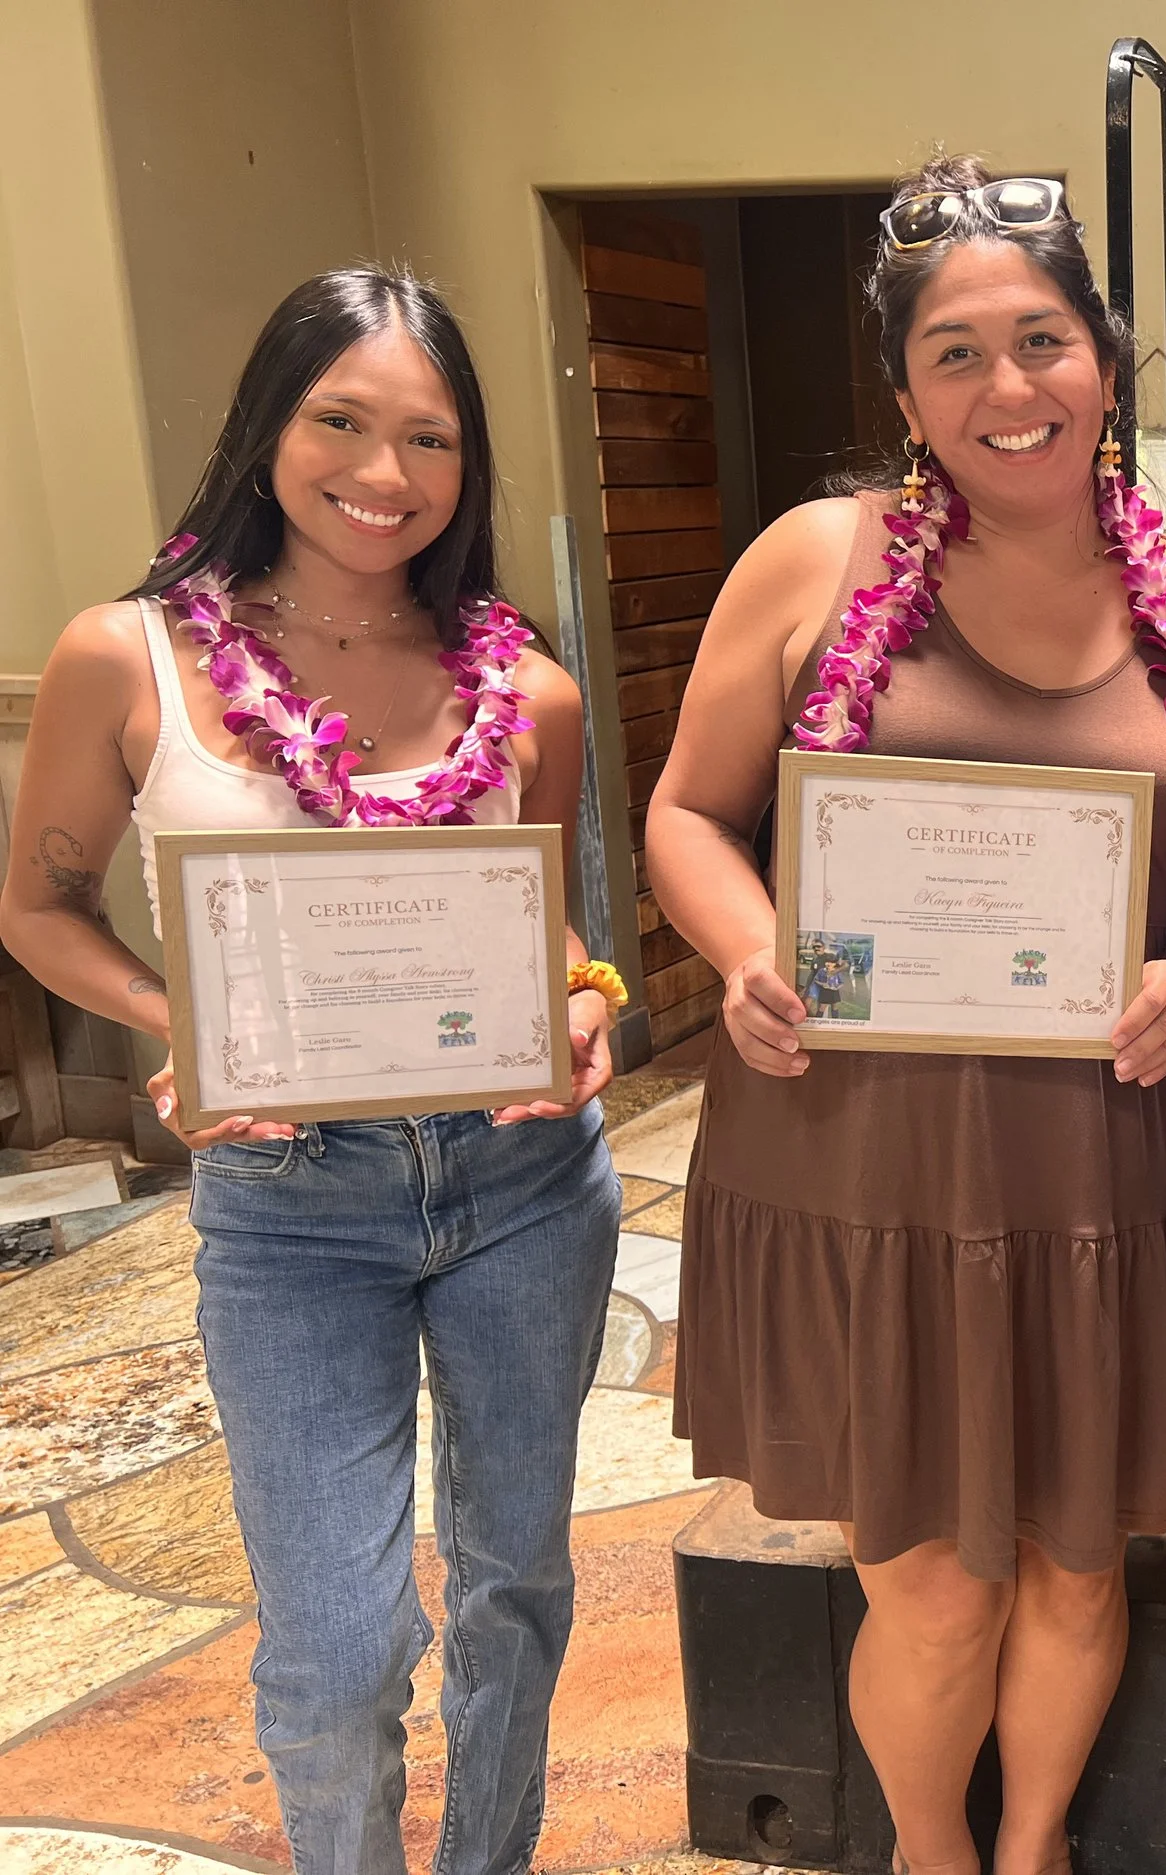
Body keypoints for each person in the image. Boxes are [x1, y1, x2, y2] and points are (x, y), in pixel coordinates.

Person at [646, 157, 1166, 1875]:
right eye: (956, 353)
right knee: (929, 1583)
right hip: (864, 1158)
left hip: (1093, 1164)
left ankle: (1036, 1845)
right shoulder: (812, 561)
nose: (1010, 385)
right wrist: (752, 949)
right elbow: (688, 811)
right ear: (908, 393)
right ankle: (933, 1853)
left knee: (1076, 1563)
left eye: (1043, 338)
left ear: (1106, 361)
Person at [0, 268, 624, 1875]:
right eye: (341, 421)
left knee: (514, 1583)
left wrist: (581, 1001)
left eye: (431, 438)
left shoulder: (529, 687)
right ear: (267, 426)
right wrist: (178, 1024)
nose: (385, 473)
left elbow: (541, 927)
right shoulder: (127, 657)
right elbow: (37, 906)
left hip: (521, 1181)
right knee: (338, 1645)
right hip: (288, 1201)